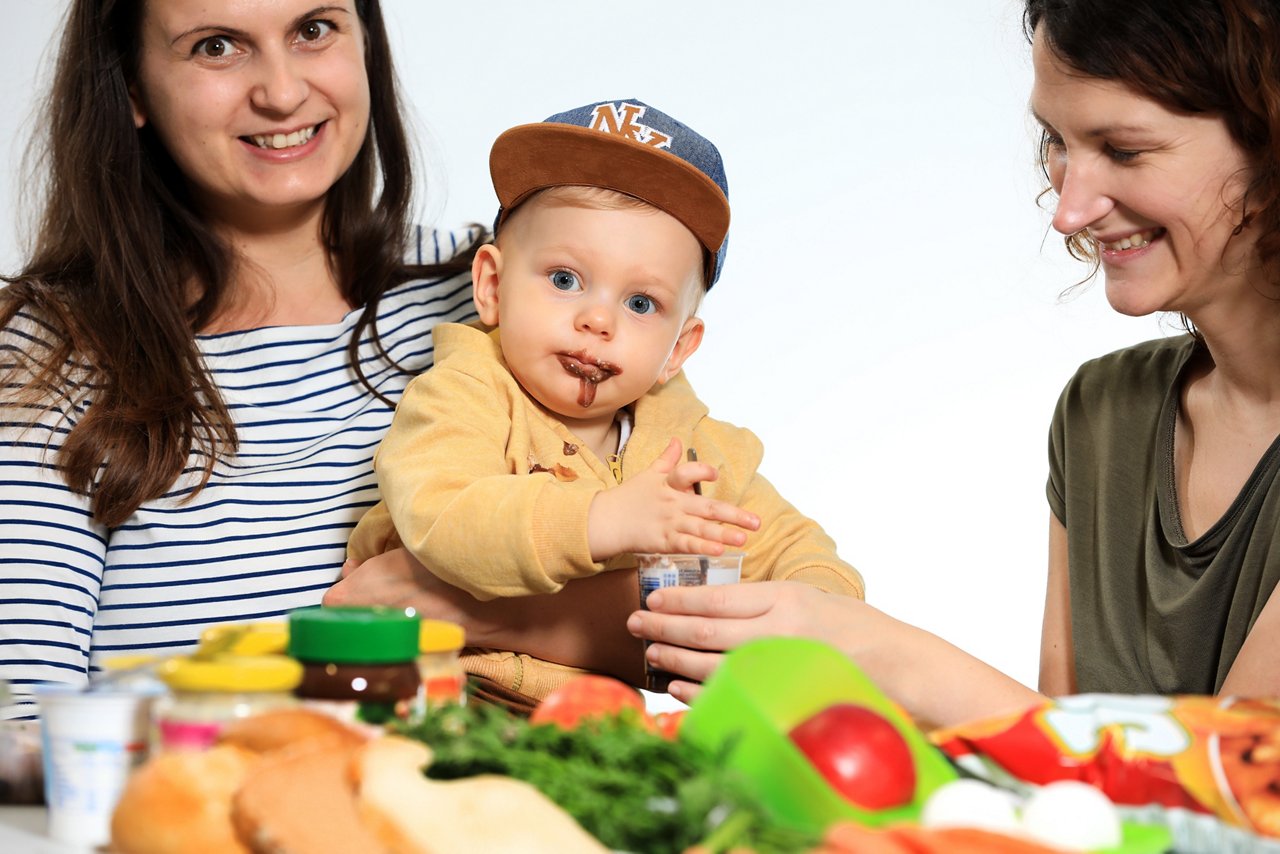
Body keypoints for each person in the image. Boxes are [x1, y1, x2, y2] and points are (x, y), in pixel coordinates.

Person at [629, 0, 1280, 728]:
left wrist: (873, 650)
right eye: (1056, 141)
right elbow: (1066, 793)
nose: (1068, 209)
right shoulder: (1103, 414)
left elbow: (1240, 798)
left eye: (1124, 150)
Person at [0, 0, 479, 722]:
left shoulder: (491, 292)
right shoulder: (51, 350)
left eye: (313, 30)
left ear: (366, 42)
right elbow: (20, 723)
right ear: (131, 86)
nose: (282, 92)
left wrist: (512, 623)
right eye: (216, 46)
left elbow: (674, 596)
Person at [347, 99, 864, 701]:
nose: (598, 320)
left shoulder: (697, 450)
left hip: (592, 728)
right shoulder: (461, 397)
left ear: (678, 347)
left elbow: (788, 544)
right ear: (491, 286)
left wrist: (818, 607)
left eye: (640, 304)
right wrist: (602, 520)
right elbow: (445, 519)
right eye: (565, 279)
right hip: (431, 703)